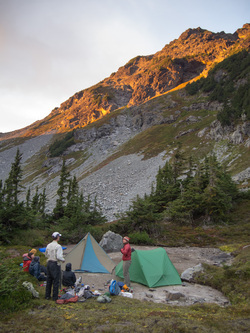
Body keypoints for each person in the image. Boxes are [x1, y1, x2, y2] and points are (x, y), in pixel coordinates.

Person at [45, 231, 65, 301]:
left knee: (49, 280)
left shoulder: (48, 245)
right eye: (59, 236)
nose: (59, 237)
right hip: (55, 264)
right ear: (57, 237)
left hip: (49, 263)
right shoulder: (58, 246)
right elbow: (59, 256)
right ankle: (55, 297)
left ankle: (47, 296)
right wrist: (63, 259)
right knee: (56, 281)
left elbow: (46, 254)